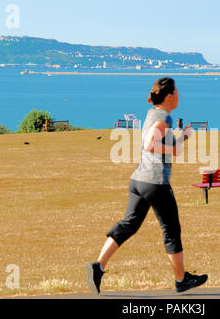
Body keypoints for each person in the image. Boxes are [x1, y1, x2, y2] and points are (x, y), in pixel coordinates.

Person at [86, 77, 208, 294]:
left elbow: (157, 141)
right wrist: (176, 150)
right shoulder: (164, 117)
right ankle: (181, 280)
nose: (180, 96)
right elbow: (151, 144)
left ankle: (98, 266)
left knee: (128, 225)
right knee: (171, 230)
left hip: (139, 180)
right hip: (155, 181)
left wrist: (182, 138)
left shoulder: (152, 114)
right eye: (177, 92)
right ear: (170, 96)